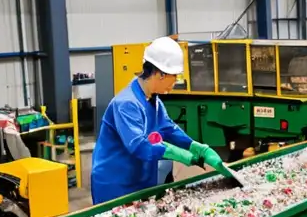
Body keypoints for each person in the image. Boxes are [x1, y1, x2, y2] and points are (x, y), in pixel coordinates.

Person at [91, 36, 224, 205]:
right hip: (117, 184)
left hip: (141, 180)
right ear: (160, 74)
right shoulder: (126, 104)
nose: (176, 82)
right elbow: (140, 146)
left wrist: (196, 147)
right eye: (174, 76)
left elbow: (168, 128)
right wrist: (180, 155)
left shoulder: (153, 100)